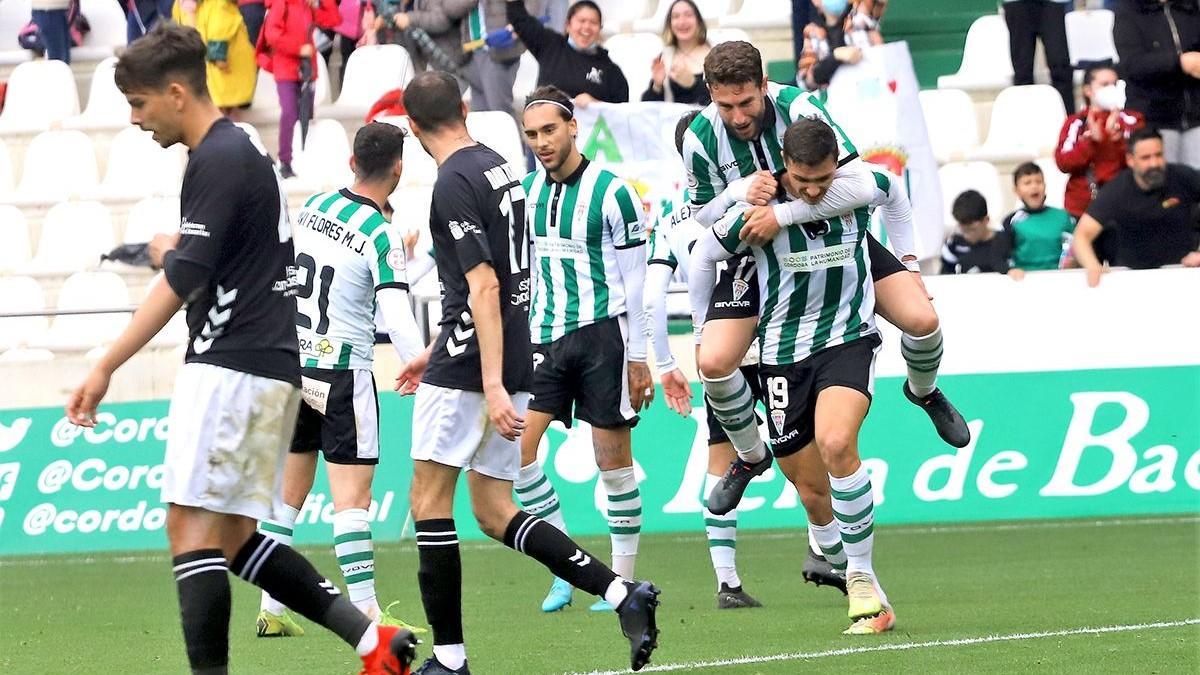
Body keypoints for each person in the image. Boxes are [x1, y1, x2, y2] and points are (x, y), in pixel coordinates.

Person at [63, 25, 414, 675]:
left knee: (189, 531)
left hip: (231, 365)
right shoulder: (236, 153)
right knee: (230, 537)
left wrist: (106, 364)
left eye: (139, 105)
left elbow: (184, 276)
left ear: (175, 94)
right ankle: (372, 642)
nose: (135, 120)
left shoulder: (219, 158)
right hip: (265, 364)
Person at [392, 71, 659, 675]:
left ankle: (451, 659)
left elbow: (483, 284)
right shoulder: (498, 167)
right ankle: (622, 592)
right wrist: (441, 351)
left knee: (428, 501)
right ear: (465, 109)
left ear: (412, 129)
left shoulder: (453, 181)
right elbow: (498, 282)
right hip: (512, 351)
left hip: (473, 364)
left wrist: (481, 379)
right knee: (492, 508)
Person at [679, 41, 969, 522]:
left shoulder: (802, 109)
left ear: (764, 86)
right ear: (710, 92)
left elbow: (858, 185)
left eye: (746, 102)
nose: (738, 116)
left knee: (922, 318)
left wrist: (786, 216)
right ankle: (751, 456)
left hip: (835, 241)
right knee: (711, 361)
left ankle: (924, 392)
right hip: (757, 256)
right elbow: (702, 217)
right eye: (725, 105)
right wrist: (737, 192)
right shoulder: (699, 138)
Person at [687, 117, 900, 635]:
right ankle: (849, 571)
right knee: (809, 491)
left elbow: (894, 194)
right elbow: (702, 253)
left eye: (823, 179)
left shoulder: (852, 189)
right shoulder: (753, 210)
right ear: (785, 165)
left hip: (846, 340)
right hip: (783, 354)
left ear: (836, 166)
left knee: (837, 442)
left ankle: (864, 581)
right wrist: (700, 331)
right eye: (802, 180)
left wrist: (910, 261)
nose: (812, 191)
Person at [254, 122, 427, 638]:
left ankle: (272, 607)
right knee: (352, 499)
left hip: (295, 363)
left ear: (352, 162)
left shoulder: (315, 206)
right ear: (398, 169)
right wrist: (419, 361)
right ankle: (368, 612)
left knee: (288, 494)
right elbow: (394, 313)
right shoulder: (381, 233)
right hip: (343, 370)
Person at [511, 85, 652, 614]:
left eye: (549, 130)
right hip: (545, 335)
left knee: (612, 462)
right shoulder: (526, 193)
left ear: (573, 127)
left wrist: (640, 357)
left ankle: (625, 579)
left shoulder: (613, 193)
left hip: (603, 337)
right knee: (518, 453)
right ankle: (565, 568)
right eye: (531, 134)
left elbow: (637, 283)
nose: (541, 142)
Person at [642, 110, 769, 609]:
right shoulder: (759, 195)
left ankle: (727, 584)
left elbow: (651, 296)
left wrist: (665, 362)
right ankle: (830, 556)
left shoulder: (674, 220)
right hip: (774, 334)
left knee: (724, 462)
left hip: (715, 351)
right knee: (811, 449)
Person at [1073, 127, 1200, 286]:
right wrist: (1092, 266)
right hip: (1132, 280)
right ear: (1130, 160)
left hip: (1183, 275)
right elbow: (1081, 236)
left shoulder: (1183, 177)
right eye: (1146, 158)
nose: (1154, 163)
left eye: (1158, 155)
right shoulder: (1117, 190)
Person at [1113, 0, 1200, 167]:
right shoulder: (1128, 10)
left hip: (1196, 116)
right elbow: (1132, 64)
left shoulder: (1191, 6)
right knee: (1164, 186)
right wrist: (1179, 62)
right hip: (1154, 120)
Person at [1054, 66, 1145, 221]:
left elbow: (1142, 160)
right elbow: (1063, 162)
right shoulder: (1076, 123)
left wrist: (1118, 141)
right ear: (1088, 90)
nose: (1111, 89)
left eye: (1114, 84)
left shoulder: (1132, 120)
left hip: (1126, 205)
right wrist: (1090, 142)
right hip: (1083, 209)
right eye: (1104, 84)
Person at [265, 0, 340, 178]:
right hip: (286, 69)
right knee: (290, 112)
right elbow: (272, 35)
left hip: (306, 70)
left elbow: (333, 19)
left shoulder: (307, 5)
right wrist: (298, 49)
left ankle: (304, 158)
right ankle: (285, 161)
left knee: (308, 115)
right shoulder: (280, 4)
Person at [506, 0, 629, 107]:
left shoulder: (612, 71)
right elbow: (520, 19)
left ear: (600, 29)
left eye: (593, 22)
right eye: (581, 21)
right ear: (568, 25)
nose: (586, 27)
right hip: (546, 128)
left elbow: (619, 115)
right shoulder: (550, 45)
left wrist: (596, 105)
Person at [175, 0, 257, 118]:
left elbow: (218, 29)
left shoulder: (212, 6)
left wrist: (217, 55)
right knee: (223, 102)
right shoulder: (213, 6)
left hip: (221, 60)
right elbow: (217, 30)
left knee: (223, 101)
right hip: (220, 61)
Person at [460, 0, 544, 115]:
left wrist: (520, 25)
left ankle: (513, 133)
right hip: (472, 50)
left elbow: (533, 5)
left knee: (500, 111)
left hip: (500, 49)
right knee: (479, 113)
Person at [1002, 162, 1075, 279]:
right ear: (1016, 190)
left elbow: (1074, 250)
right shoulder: (1011, 221)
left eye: (1038, 182)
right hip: (1024, 279)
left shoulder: (1063, 217)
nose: (1034, 186)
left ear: (1045, 186)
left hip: (1060, 277)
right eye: (1027, 183)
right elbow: (1002, 255)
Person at [1002, 0, 1074, 114]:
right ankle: (1025, 118)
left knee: (1060, 63)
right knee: (1022, 69)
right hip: (1017, 4)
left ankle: (1069, 120)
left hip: (1052, 3)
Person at [798, 0, 885, 92]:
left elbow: (878, 2)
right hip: (836, 101)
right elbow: (805, 82)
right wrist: (836, 57)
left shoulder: (861, 17)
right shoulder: (812, 33)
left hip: (870, 93)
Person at [642, 0, 712, 105]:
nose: (682, 22)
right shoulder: (665, 56)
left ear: (698, 21)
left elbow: (722, 101)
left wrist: (693, 84)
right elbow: (647, 107)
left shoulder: (715, 55)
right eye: (676, 16)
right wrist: (657, 86)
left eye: (688, 15)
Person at [940, 189, 1012, 274]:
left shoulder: (1005, 241)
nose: (967, 235)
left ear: (986, 220)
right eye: (963, 230)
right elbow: (945, 275)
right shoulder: (954, 244)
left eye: (972, 230)